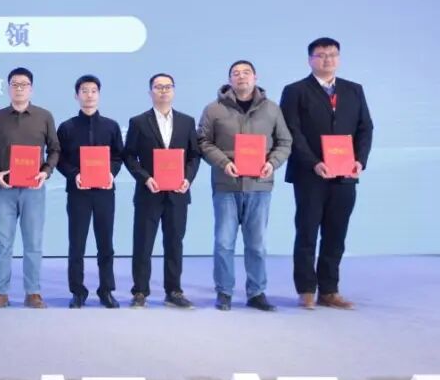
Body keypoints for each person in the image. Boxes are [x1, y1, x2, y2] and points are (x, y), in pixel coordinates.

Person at [279, 37, 373, 310]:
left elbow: (365, 128)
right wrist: (313, 162)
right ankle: (306, 290)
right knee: (307, 232)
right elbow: (291, 131)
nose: (327, 59)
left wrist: (360, 161)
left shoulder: (354, 90)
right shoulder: (295, 91)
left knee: (336, 234)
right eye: (321, 55)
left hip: (345, 174)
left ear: (339, 58)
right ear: (310, 59)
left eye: (332, 54)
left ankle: (330, 290)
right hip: (310, 175)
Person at [197, 61, 292, 311]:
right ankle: (224, 292)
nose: (241, 77)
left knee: (257, 245)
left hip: (260, 186)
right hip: (226, 185)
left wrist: (272, 163)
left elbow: (285, 142)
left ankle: (256, 292)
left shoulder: (272, 109)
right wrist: (223, 162)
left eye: (246, 73)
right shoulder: (213, 109)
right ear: (229, 80)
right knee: (223, 243)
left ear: (255, 77)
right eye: (235, 73)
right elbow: (203, 142)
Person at [123, 73, 201, 309]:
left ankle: (174, 291)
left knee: (174, 243)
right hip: (149, 192)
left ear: (174, 91)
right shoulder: (138, 122)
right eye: (158, 87)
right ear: (150, 92)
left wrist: (188, 179)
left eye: (168, 87)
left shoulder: (187, 122)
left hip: (178, 193)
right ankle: (140, 291)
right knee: (143, 243)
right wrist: (145, 178)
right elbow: (129, 156)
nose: (163, 91)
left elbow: (194, 155)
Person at [0, 67, 61, 308]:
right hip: (4, 190)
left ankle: (33, 292)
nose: (19, 88)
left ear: (31, 89)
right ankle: (0, 293)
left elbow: (55, 149)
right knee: (2, 243)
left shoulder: (44, 116)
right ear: (8, 88)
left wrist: (45, 172)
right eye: (15, 84)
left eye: (24, 84)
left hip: (33, 190)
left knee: (33, 243)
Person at [55, 74, 124, 308]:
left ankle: (106, 290)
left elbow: (118, 156)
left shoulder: (111, 126)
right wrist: (75, 175)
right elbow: (59, 159)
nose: (89, 95)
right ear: (76, 95)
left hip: (105, 191)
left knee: (106, 243)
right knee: (77, 243)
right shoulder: (66, 127)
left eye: (94, 91)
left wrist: (111, 173)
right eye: (84, 91)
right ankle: (78, 291)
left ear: (99, 95)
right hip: (78, 192)